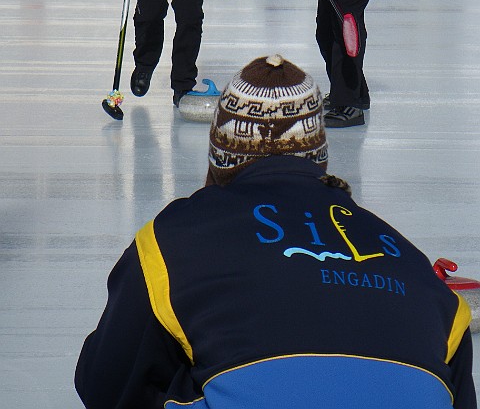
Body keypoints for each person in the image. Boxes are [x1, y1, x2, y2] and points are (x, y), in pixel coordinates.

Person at [75, 53, 476, 409]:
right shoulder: (412, 263)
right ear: (319, 157)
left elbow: (105, 385)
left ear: (220, 156)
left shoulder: (174, 240)